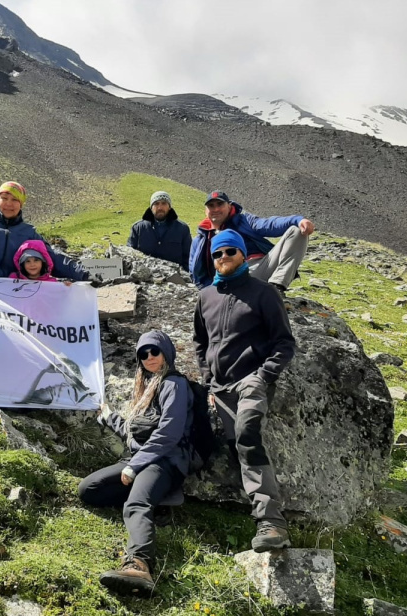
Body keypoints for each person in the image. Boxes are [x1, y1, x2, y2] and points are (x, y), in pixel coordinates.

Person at [192, 230, 296, 553]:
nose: (222, 258)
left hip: (252, 379)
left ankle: (272, 523)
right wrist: (208, 380)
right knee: (224, 443)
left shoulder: (263, 293)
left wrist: (264, 375)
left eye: (229, 253)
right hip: (220, 387)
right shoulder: (205, 296)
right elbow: (200, 342)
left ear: (241, 255)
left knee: (247, 433)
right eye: (217, 255)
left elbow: (284, 343)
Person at [79, 331, 192, 597]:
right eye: (143, 354)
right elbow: (135, 433)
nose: (149, 357)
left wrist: (135, 466)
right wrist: (109, 417)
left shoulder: (174, 384)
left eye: (155, 351)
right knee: (89, 489)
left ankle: (139, 564)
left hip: (164, 461)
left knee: (136, 504)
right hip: (140, 460)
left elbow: (169, 433)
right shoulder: (147, 387)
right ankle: (157, 499)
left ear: (167, 352)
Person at [0, 181, 89, 286]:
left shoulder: (28, 232)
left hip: (13, 294)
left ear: (21, 204)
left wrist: (84, 275)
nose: (9, 203)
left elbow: (52, 257)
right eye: (4, 198)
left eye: (15, 200)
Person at [188, 191, 314, 292]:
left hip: (262, 266)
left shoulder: (245, 220)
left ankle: (277, 287)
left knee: (296, 231)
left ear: (229, 206)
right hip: (230, 275)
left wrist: (298, 220)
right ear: (206, 210)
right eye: (211, 206)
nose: (215, 209)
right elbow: (194, 270)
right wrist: (209, 292)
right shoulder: (200, 239)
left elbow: (269, 224)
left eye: (220, 204)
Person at [127, 190, 192, 267]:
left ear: (169, 207)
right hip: (144, 276)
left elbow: (189, 257)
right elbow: (129, 255)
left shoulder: (182, 229)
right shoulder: (138, 228)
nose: (160, 207)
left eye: (164, 203)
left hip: (175, 276)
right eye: (156, 204)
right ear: (151, 207)